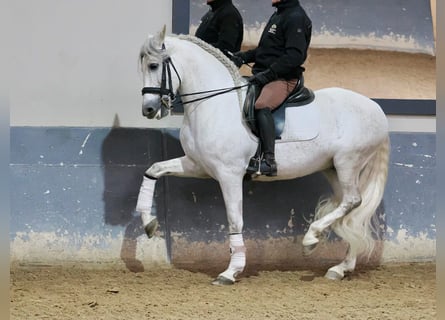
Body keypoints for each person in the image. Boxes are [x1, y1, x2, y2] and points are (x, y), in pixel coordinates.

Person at [231, 0, 312, 176]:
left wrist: (268, 74)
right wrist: (243, 57)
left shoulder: (295, 17)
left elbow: (295, 56)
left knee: (262, 105)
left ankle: (268, 160)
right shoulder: (279, 14)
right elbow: (266, 50)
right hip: (266, 74)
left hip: (284, 78)